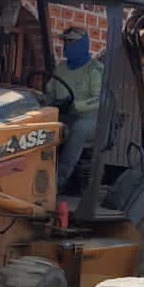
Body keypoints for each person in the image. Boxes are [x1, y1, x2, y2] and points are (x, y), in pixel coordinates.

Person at [52, 25, 103, 189]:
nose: (66, 46)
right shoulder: (60, 68)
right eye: (65, 42)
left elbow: (101, 100)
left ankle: (58, 180)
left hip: (91, 119)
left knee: (78, 129)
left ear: (82, 44)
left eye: (71, 43)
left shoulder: (94, 70)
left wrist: (78, 105)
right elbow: (49, 92)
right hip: (66, 114)